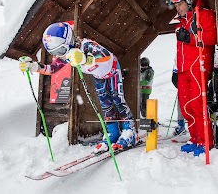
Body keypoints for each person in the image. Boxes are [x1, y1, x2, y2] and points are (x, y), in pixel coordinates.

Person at [18, 22, 137, 154]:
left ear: (69, 41)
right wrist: (35, 67)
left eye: (60, 51)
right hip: (98, 77)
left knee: (118, 99)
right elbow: (53, 69)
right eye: (54, 53)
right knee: (105, 105)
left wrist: (86, 59)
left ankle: (129, 131)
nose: (59, 56)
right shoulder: (66, 54)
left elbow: (107, 57)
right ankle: (112, 132)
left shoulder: (87, 46)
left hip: (112, 71)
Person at [168, 0, 217, 156]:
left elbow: (213, 37)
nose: (177, 8)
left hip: (198, 66)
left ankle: (205, 140)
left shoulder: (204, 14)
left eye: (180, 4)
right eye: (175, 5)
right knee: (186, 106)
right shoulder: (180, 23)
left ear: (188, 2)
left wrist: (191, 38)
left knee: (197, 105)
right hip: (183, 69)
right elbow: (179, 51)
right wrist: (176, 70)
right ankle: (195, 138)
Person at [171, 58, 186, 136]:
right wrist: (179, 86)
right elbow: (174, 78)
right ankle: (181, 125)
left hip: (191, 85)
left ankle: (196, 127)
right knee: (180, 106)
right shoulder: (178, 59)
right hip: (182, 87)